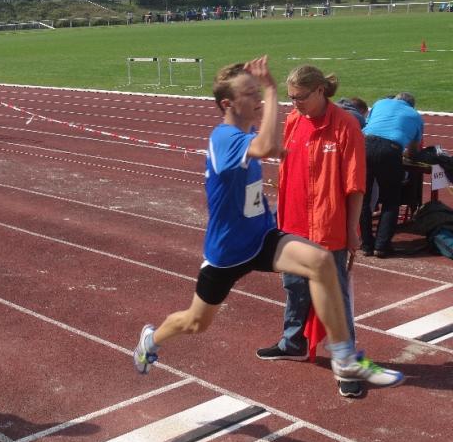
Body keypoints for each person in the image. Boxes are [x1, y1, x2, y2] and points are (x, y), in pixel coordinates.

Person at [132, 57, 403, 392]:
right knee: (195, 322)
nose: (258, 98)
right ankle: (151, 339)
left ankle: (344, 357)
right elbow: (268, 147)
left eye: (258, 91)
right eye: (250, 93)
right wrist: (273, 88)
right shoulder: (224, 138)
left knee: (321, 262)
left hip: (260, 238)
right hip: (227, 252)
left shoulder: (246, 134)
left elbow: (272, 148)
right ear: (228, 104)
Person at [256, 66, 367, 398]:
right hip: (293, 222)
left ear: (320, 91)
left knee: (334, 297)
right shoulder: (294, 119)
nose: (295, 104)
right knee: (294, 286)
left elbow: (355, 185)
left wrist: (352, 229)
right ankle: (294, 342)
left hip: (327, 226)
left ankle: (346, 364)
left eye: (300, 97)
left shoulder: (345, 126)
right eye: (291, 98)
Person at [360, 93, 424, 258]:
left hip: (364, 145)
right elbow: (413, 150)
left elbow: (369, 124)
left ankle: (366, 244)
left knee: (363, 198)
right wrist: (405, 154)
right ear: (411, 105)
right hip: (391, 150)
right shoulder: (415, 116)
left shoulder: (380, 103)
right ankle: (381, 246)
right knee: (391, 200)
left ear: (395, 99)